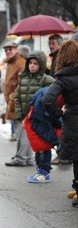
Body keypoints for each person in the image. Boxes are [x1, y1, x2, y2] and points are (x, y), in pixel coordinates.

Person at [42, 40, 78, 207]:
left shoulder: (63, 78)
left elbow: (47, 100)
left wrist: (59, 114)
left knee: (77, 157)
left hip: (73, 119)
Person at [13, 51, 55, 181]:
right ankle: (39, 168)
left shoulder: (46, 80)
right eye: (30, 63)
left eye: (36, 63)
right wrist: (20, 117)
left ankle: (45, 171)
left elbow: (52, 98)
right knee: (36, 145)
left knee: (44, 145)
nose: (32, 66)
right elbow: (18, 99)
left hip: (42, 118)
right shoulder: (23, 79)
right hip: (28, 119)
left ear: (41, 65)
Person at [2, 41, 30, 166]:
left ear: (16, 50)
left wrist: (13, 98)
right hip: (14, 102)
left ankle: (21, 158)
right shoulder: (11, 63)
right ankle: (28, 157)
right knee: (22, 130)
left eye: (10, 49)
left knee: (21, 131)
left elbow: (22, 84)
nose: (8, 51)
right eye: (6, 50)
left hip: (19, 102)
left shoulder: (20, 63)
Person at [47, 34, 71, 165]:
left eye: (53, 44)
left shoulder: (61, 58)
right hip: (57, 94)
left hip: (60, 96)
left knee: (63, 124)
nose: (51, 46)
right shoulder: (54, 58)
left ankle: (63, 154)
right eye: (49, 44)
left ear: (60, 45)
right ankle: (62, 153)